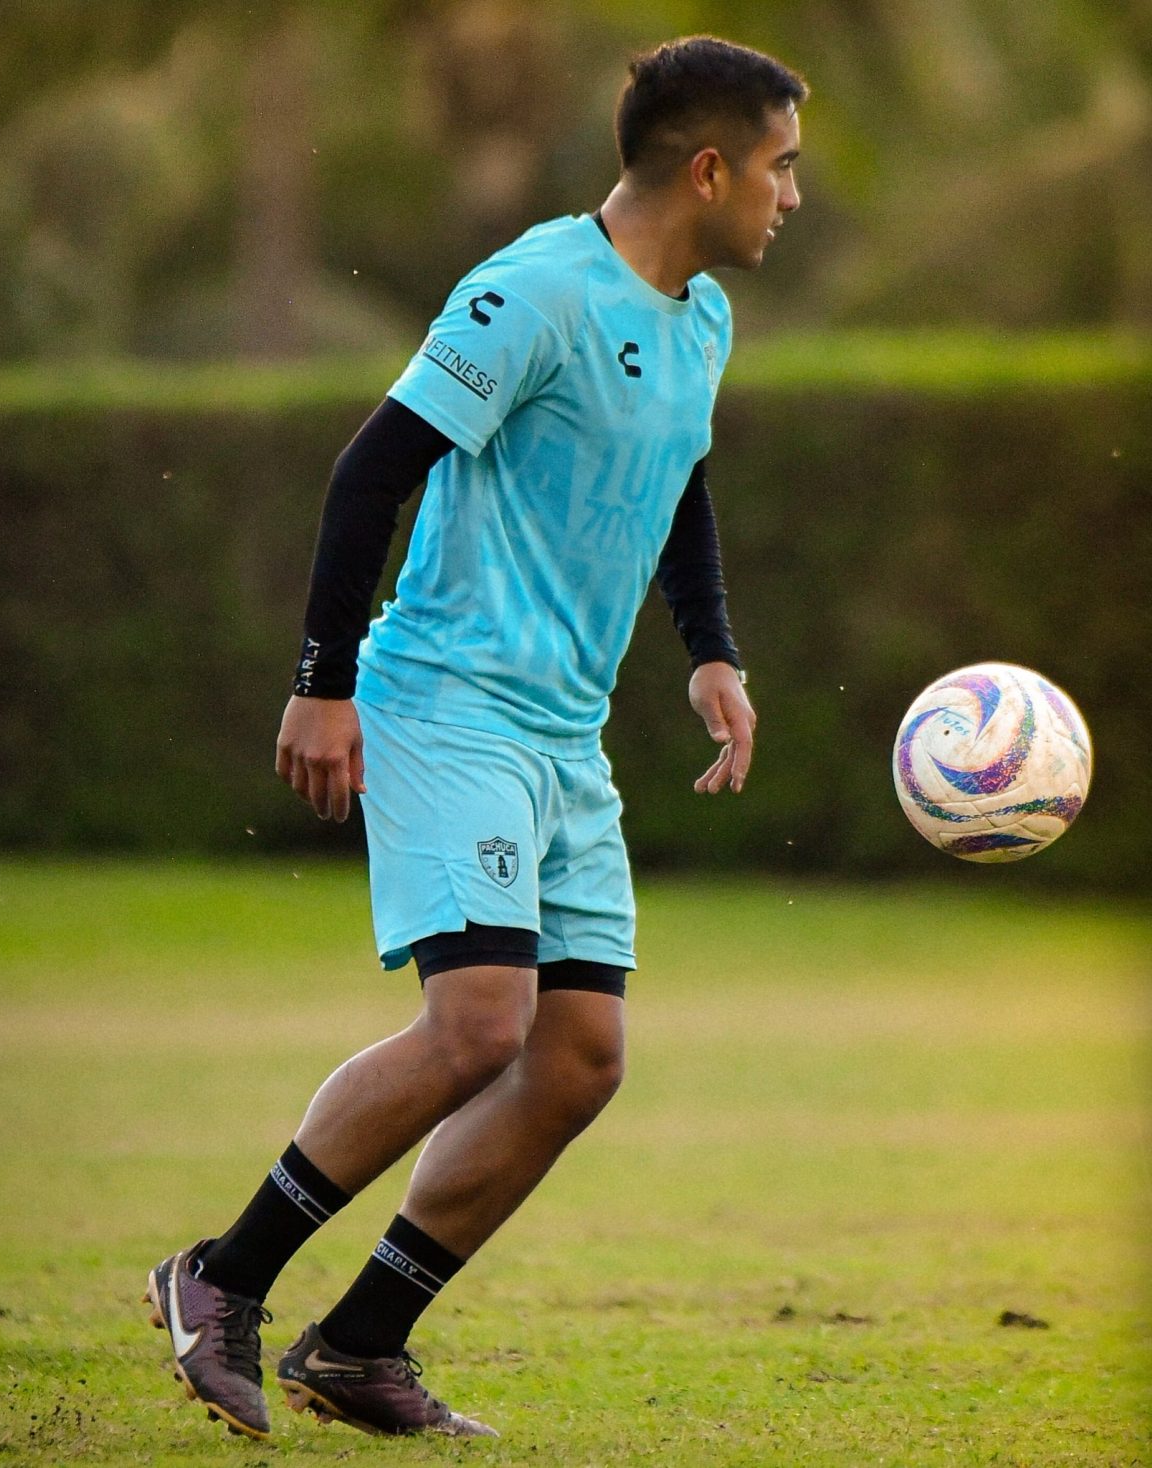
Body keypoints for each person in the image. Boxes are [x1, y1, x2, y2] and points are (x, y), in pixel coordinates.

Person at [142, 36, 801, 1440]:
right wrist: (322, 682)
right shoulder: (530, 291)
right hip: (447, 700)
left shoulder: (700, 321)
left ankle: (360, 1344)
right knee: (480, 1021)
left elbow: (676, 481)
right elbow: (372, 469)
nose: (789, 197)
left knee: (578, 1058)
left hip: (563, 740)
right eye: (781, 166)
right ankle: (220, 1276)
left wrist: (714, 654)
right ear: (709, 167)